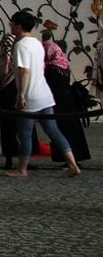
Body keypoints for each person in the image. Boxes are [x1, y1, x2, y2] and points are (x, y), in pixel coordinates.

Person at [5, 11, 81, 178]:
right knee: (53, 131)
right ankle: (73, 164)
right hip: (44, 94)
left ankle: (22, 169)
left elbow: (24, 71)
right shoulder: (37, 43)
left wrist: (21, 95)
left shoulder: (21, 45)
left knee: (24, 134)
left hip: (30, 96)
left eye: (12, 23)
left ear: (18, 26)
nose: (10, 26)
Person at [42, 35, 91, 164]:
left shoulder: (50, 68)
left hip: (59, 104)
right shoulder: (63, 64)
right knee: (73, 131)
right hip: (69, 102)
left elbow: (50, 87)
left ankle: (68, 159)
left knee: (62, 131)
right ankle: (76, 157)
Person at [0, 32, 24, 170]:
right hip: (15, 93)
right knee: (20, 127)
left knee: (6, 128)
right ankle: (22, 159)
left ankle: (9, 159)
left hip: (3, 95)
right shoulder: (15, 56)